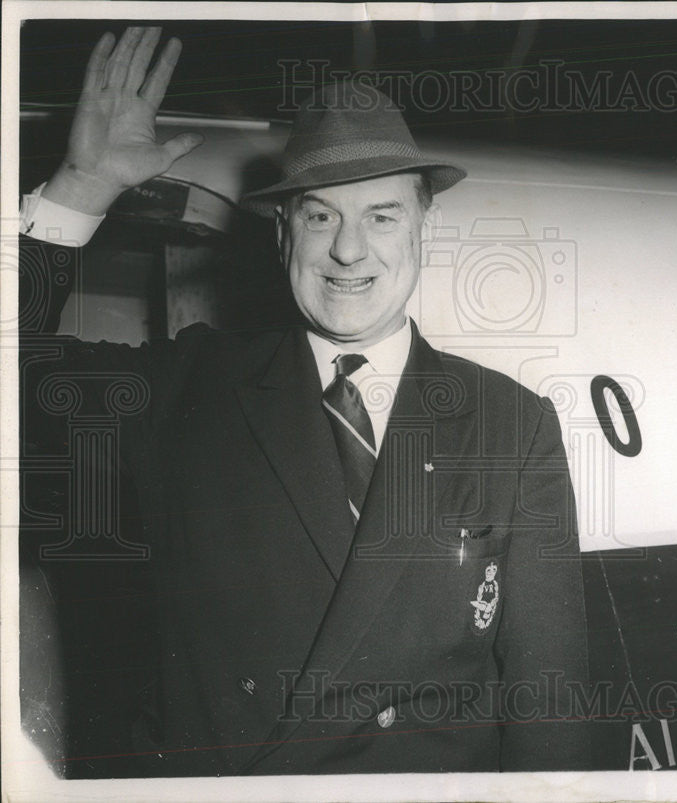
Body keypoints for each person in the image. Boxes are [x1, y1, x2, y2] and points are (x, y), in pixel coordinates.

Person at [19, 26, 589, 776]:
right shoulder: (184, 390)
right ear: (282, 233)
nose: (349, 250)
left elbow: (556, 717)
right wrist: (81, 188)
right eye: (321, 215)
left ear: (425, 225)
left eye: (381, 215)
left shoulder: (513, 427)